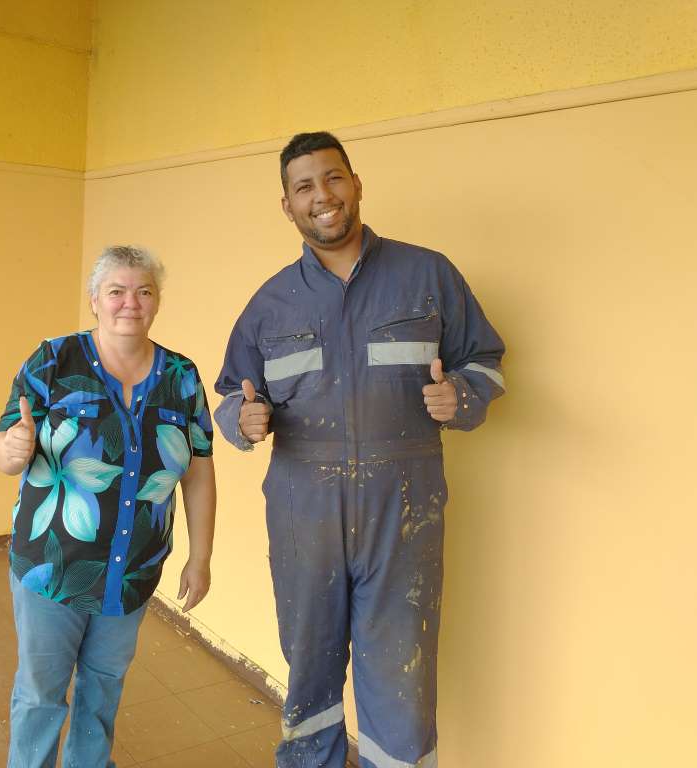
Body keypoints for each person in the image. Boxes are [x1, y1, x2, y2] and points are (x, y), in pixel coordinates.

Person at [213, 132, 505, 768]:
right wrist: (244, 419)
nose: (322, 195)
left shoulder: (428, 275)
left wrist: (461, 396)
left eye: (333, 178)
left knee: (401, 674)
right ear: (287, 206)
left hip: (404, 509)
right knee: (309, 670)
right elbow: (231, 395)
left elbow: (485, 361)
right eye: (304, 186)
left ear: (356, 184)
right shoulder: (269, 304)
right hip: (303, 512)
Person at [0, 245, 217, 768]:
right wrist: (10, 450)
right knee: (41, 694)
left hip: (132, 570)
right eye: (116, 291)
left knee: (103, 688)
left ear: (157, 301)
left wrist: (200, 557)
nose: (129, 303)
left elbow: (199, 470)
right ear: (95, 299)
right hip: (52, 566)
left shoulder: (182, 376)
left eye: (143, 291)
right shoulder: (54, 360)